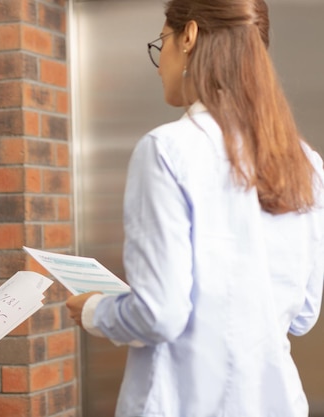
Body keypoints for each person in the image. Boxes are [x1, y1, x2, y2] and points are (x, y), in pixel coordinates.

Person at [66, 0, 324, 416]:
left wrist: (96, 310)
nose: (158, 63)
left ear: (188, 36)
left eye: (161, 42)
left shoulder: (168, 150)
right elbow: (304, 315)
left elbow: (161, 315)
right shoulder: (306, 163)